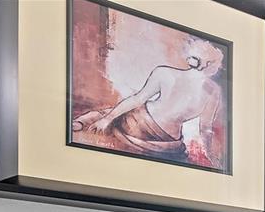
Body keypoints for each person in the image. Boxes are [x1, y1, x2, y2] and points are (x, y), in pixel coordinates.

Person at [72, 38, 224, 168]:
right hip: (168, 141)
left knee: (110, 114)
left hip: (137, 125)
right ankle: (89, 121)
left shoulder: (164, 72)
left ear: (191, 57)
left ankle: (82, 121)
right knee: (115, 114)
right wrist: (210, 155)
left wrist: (106, 119)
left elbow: (138, 99)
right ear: (211, 65)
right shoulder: (214, 91)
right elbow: (205, 129)